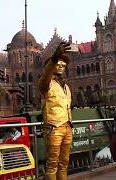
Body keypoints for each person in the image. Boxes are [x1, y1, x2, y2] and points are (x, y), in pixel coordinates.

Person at [39, 42, 73, 180]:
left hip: (67, 126)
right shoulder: (46, 83)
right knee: (52, 164)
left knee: (64, 163)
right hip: (54, 127)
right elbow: (46, 73)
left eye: (63, 65)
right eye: (57, 63)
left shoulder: (66, 86)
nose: (61, 66)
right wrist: (54, 57)